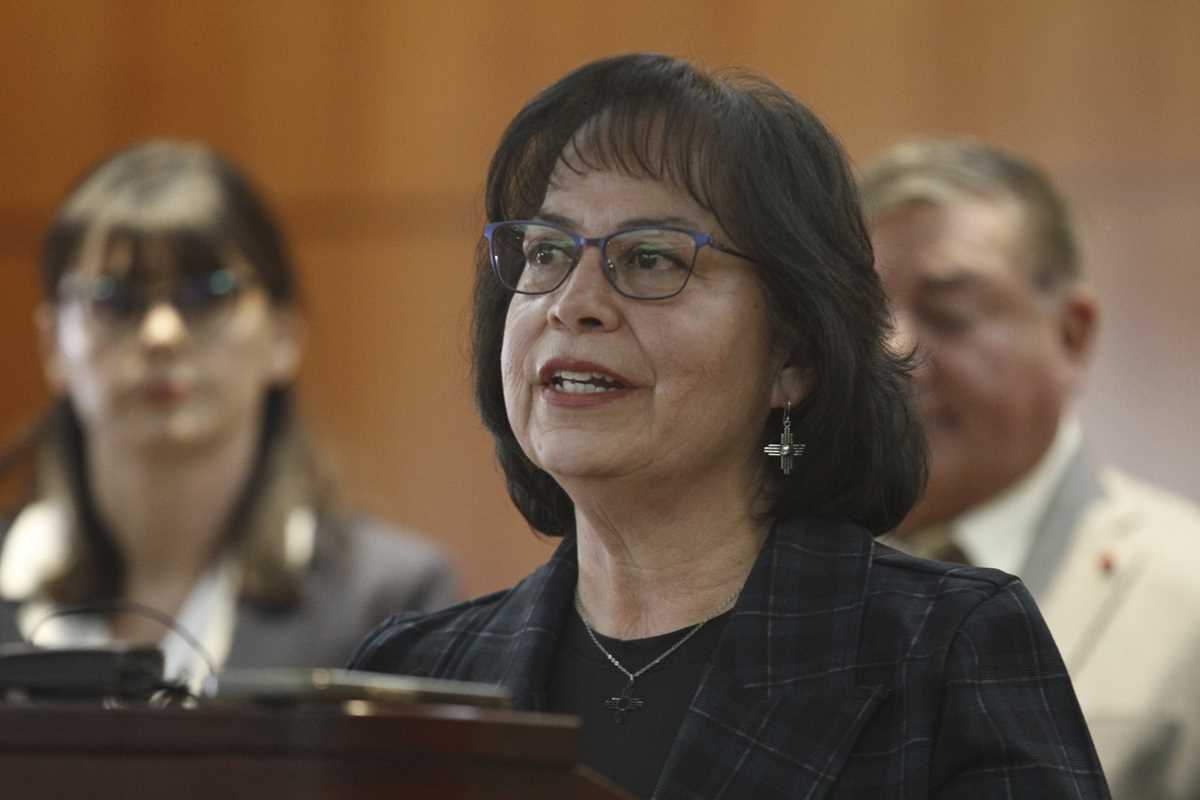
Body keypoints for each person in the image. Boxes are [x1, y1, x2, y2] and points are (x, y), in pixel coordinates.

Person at [349, 54, 1107, 798]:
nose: (573, 303)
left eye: (650, 259)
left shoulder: (947, 648)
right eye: (546, 251)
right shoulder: (410, 676)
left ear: (793, 356)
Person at [0, 140, 457, 689]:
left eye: (207, 295)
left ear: (284, 334)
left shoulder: (388, 601)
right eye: (116, 300)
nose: (161, 333)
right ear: (52, 342)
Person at [860, 137, 1200, 799]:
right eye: (862, 317)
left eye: (949, 314)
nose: (892, 351)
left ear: (1071, 333)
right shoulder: (775, 578)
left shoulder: (1185, 595)